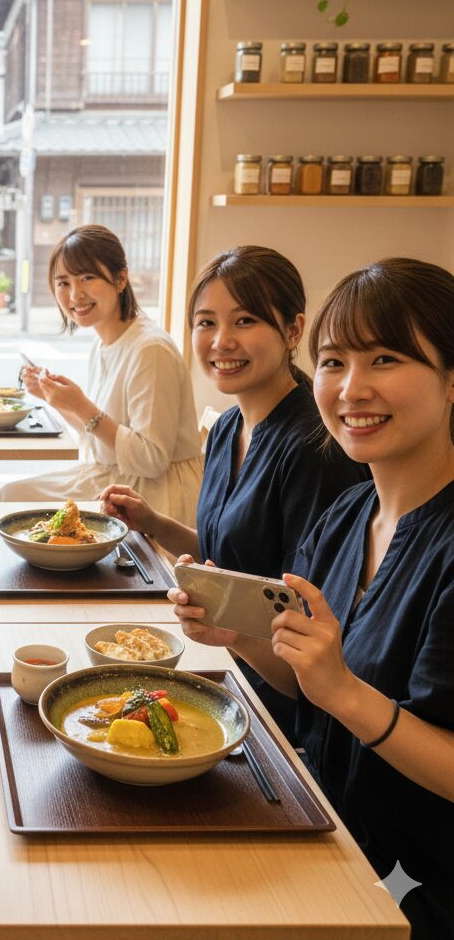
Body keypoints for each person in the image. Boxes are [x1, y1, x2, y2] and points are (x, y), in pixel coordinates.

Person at [171, 258, 454, 940]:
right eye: (333, 362)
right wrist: (239, 635)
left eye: (385, 359)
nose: (352, 388)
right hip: (327, 828)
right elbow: (307, 682)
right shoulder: (348, 515)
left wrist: (344, 693)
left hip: (416, 888)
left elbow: (342, 696)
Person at [100, 247, 367, 738]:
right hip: (226, 662)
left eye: (244, 320)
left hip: (280, 703)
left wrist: (232, 636)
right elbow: (230, 557)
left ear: (293, 330)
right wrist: (155, 524)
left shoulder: (314, 448)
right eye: (206, 323)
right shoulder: (228, 426)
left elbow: (305, 610)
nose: (221, 341)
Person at [0, 224, 202, 524]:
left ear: (121, 279)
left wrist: (81, 406)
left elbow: (151, 460)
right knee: (8, 499)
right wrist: (55, 399)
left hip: (152, 496)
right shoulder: (103, 342)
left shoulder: (150, 350)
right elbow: (97, 438)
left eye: (87, 278)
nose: (75, 294)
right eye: (63, 283)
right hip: (115, 480)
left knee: (10, 507)